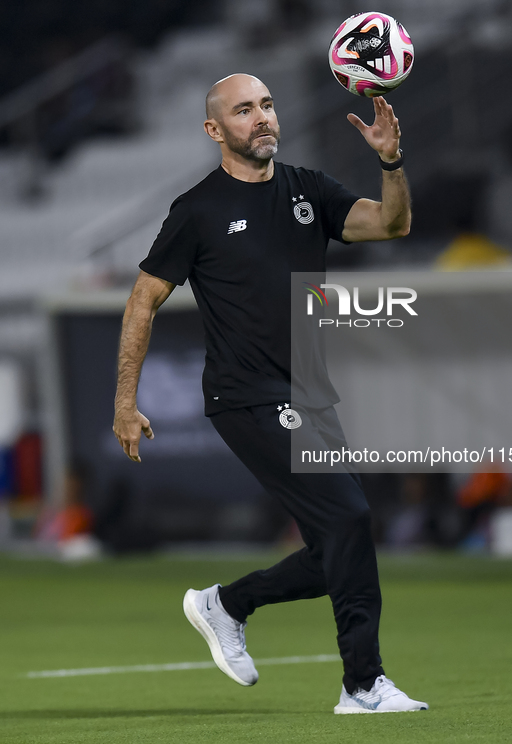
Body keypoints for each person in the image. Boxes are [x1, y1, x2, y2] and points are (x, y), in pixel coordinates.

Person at [112, 73, 428, 714]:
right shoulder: (195, 210)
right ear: (215, 130)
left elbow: (391, 224)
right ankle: (363, 685)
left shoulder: (308, 189)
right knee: (350, 518)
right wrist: (125, 399)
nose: (261, 118)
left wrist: (390, 161)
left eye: (267, 105)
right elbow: (142, 300)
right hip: (246, 395)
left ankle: (226, 604)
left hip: (311, 393)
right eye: (244, 110)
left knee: (340, 546)